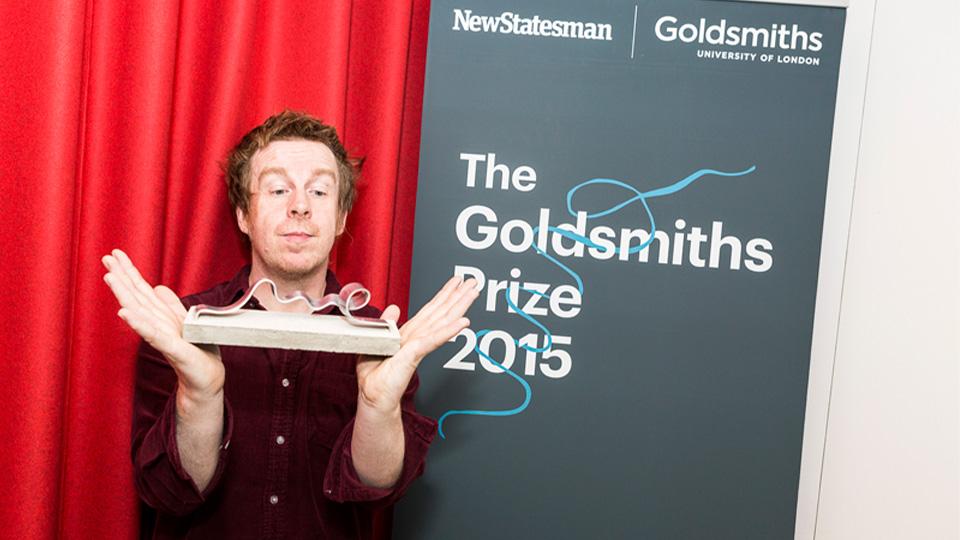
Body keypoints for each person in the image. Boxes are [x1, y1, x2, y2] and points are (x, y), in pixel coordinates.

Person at [102, 110, 478, 539]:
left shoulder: (382, 342)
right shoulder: (180, 330)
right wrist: (198, 393)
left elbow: (377, 492)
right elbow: (169, 493)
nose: (299, 205)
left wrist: (377, 406)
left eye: (319, 191)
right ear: (243, 214)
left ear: (340, 219)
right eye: (278, 189)